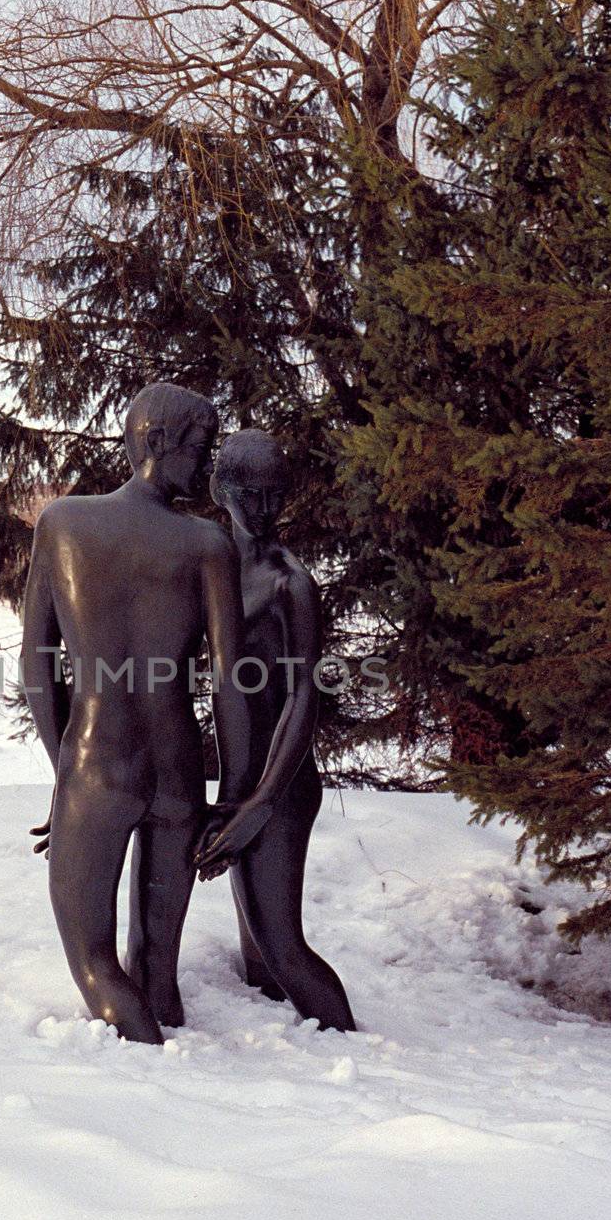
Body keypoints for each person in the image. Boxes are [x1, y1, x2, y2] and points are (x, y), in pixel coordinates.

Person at [20, 382, 250, 1044]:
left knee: (94, 964)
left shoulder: (64, 524)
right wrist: (230, 794)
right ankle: (171, 1053)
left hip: (99, 764)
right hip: (178, 774)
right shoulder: (207, 544)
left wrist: (66, 774)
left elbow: (40, 663)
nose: (207, 468)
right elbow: (229, 683)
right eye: (200, 451)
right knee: (154, 969)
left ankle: (153, 1089)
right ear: (153, 443)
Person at [195, 429, 356, 1032]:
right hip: (239, 782)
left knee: (282, 946)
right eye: (249, 495)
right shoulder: (211, 564)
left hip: (280, 788)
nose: (264, 511)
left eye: (275, 495)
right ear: (218, 489)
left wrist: (259, 804)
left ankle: (355, 1055)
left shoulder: (291, 584)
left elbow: (304, 696)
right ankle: (285, 1046)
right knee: (260, 958)